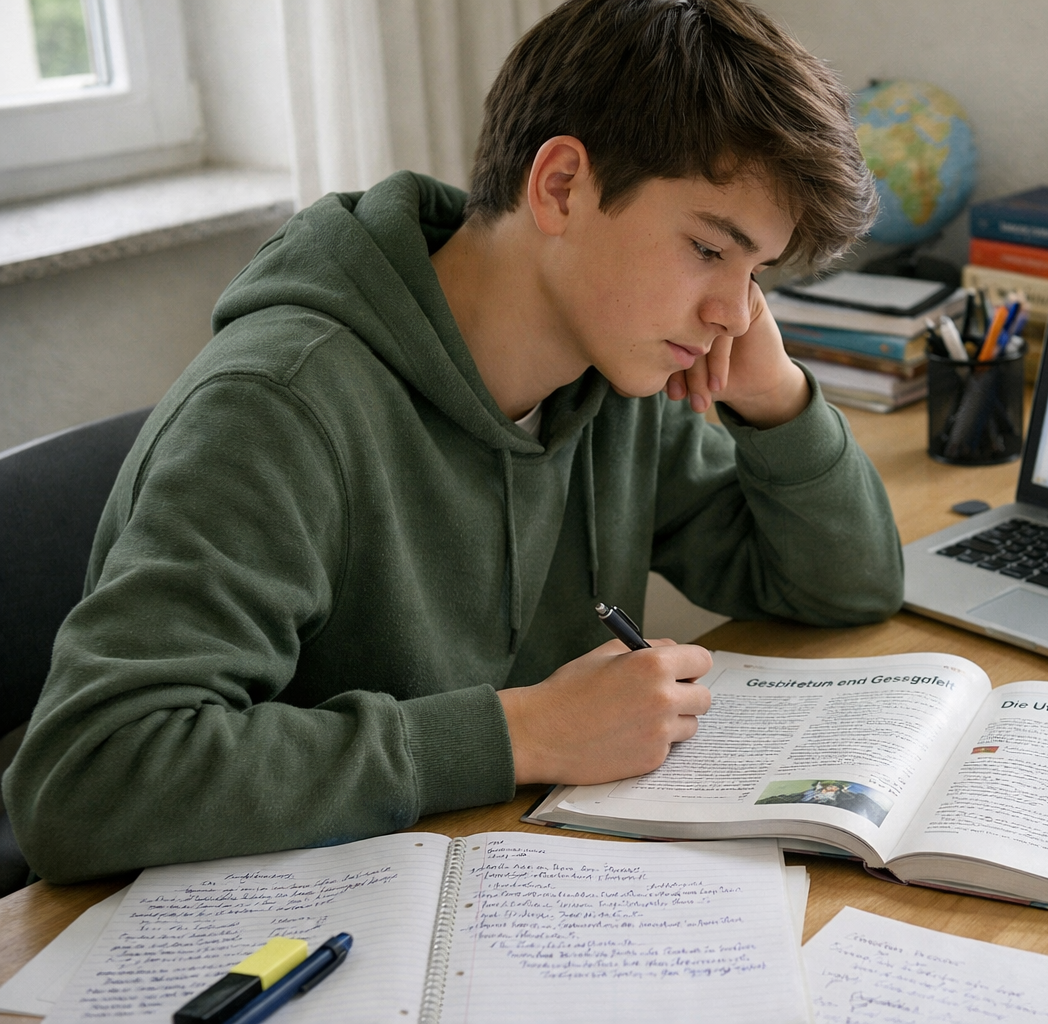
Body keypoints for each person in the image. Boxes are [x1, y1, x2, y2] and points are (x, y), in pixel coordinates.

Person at [3, 0, 903, 882]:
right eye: (710, 250)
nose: (736, 314)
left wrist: (778, 402)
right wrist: (521, 733)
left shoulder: (611, 372)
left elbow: (845, 587)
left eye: (757, 272)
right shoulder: (277, 408)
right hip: (280, 930)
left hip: (502, 882)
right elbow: (86, 780)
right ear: (561, 186)